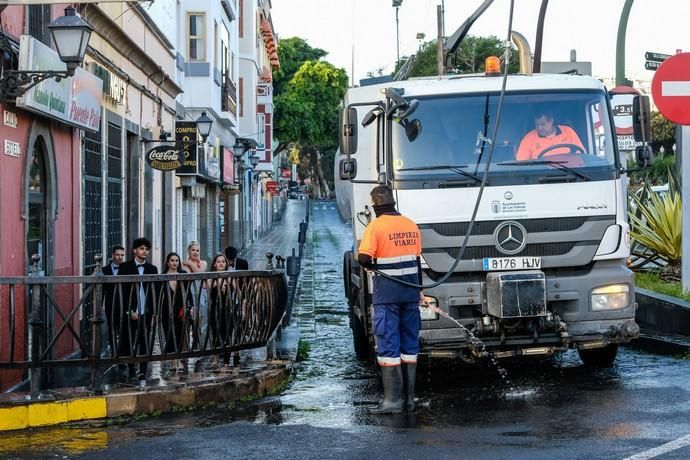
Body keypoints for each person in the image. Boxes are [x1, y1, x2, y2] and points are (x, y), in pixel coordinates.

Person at [357, 185, 424, 414]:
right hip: (411, 293)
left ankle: (393, 401)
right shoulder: (410, 224)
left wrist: (371, 265)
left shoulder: (376, 227)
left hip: (387, 295)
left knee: (388, 342)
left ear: (375, 204)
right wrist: (420, 291)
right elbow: (416, 260)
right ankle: (410, 399)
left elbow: (364, 258)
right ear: (393, 201)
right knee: (410, 345)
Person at [117, 237, 158, 382]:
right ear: (134, 250)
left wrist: (153, 314)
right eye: (142, 249)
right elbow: (121, 291)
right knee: (128, 340)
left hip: (145, 312)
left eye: (147, 249)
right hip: (130, 312)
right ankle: (131, 367)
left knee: (144, 341)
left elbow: (155, 294)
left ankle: (142, 371)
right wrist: (129, 311)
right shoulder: (125, 267)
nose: (145, 251)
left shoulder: (152, 269)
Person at [160, 252, 193, 375]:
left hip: (180, 309)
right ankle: (173, 360)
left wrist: (191, 306)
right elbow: (158, 295)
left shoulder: (183, 274)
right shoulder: (162, 276)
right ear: (168, 262)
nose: (174, 263)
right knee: (169, 333)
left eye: (176, 260)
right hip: (166, 310)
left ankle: (178, 360)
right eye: (172, 260)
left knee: (180, 334)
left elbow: (188, 291)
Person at [515, 110, 585, 161]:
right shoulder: (528, 138)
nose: (539, 128)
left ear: (551, 121)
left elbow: (582, 155)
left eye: (542, 124)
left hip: (570, 175)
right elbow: (521, 163)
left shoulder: (568, 131)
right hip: (541, 177)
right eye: (537, 125)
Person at [102, 245, 125, 356]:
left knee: (123, 328)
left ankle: (122, 352)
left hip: (124, 303)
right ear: (112, 255)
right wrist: (100, 305)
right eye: (117, 255)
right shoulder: (104, 270)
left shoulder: (127, 269)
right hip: (110, 303)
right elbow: (101, 290)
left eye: (122, 255)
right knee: (112, 327)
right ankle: (114, 352)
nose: (120, 257)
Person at [208, 254, 230, 368]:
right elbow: (207, 286)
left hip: (227, 309)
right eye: (218, 261)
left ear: (226, 264)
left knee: (227, 334)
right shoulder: (211, 277)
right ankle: (215, 359)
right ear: (215, 264)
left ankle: (226, 361)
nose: (221, 263)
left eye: (223, 261)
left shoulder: (230, 277)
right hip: (214, 309)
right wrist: (220, 282)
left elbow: (236, 289)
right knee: (215, 334)